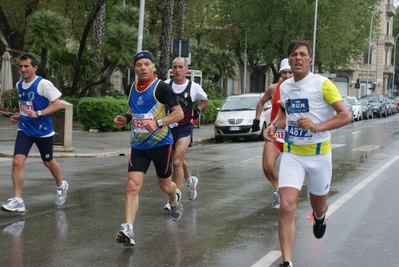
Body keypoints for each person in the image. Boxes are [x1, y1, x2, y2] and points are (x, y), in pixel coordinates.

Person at [264, 41, 351, 267]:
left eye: (303, 54)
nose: (298, 58)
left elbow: (345, 116)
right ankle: (287, 262)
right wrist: (274, 125)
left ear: (310, 59)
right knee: (286, 206)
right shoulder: (284, 87)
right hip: (293, 155)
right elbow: (285, 113)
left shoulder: (323, 84)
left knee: (318, 205)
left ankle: (319, 217)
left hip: (319, 156)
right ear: (289, 60)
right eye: (294, 55)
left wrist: (316, 127)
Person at [113, 51, 184, 246]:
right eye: (139, 65)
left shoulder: (162, 88)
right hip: (138, 146)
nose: (143, 68)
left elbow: (178, 114)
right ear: (134, 68)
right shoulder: (130, 88)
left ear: (153, 67)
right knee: (132, 186)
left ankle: (174, 195)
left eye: (147, 64)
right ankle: (128, 229)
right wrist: (125, 119)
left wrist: (158, 122)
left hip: (161, 145)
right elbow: (132, 110)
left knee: (165, 186)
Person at [1, 53, 68, 212]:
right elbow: (26, 106)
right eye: (21, 66)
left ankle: (61, 185)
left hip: (43, 131)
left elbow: (57, 105)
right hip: (24, 129)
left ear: (35, 67)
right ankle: (18, 200)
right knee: (17, 161)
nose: (23, 69)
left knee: (48, 162)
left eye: (26, 66)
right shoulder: (19, 85)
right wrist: (20, 115)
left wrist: (38, 114)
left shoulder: (43, 84)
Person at [162, 57, 209, 211]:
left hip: (184, 128)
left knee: (176, 161)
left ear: (186, 70)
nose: (177, 70)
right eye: (174, 67)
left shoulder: (193, 87)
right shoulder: (165, 85)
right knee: (178, 160)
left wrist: (198, 109)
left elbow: (205, 101)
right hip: (169, 128)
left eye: (180, 67)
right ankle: (190, 180)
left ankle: (175, 198)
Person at [251, 58, 293, 209]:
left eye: (290, 72)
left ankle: (289, 199)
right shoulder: (273, 89)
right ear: (280, 74)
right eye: (284, 73)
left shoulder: (301, 88)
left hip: (294, 134)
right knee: (267, 166)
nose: (287, 76)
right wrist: (257, 118)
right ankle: (278, 188)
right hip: (275, 132)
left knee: (291, 171)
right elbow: (261, 102)